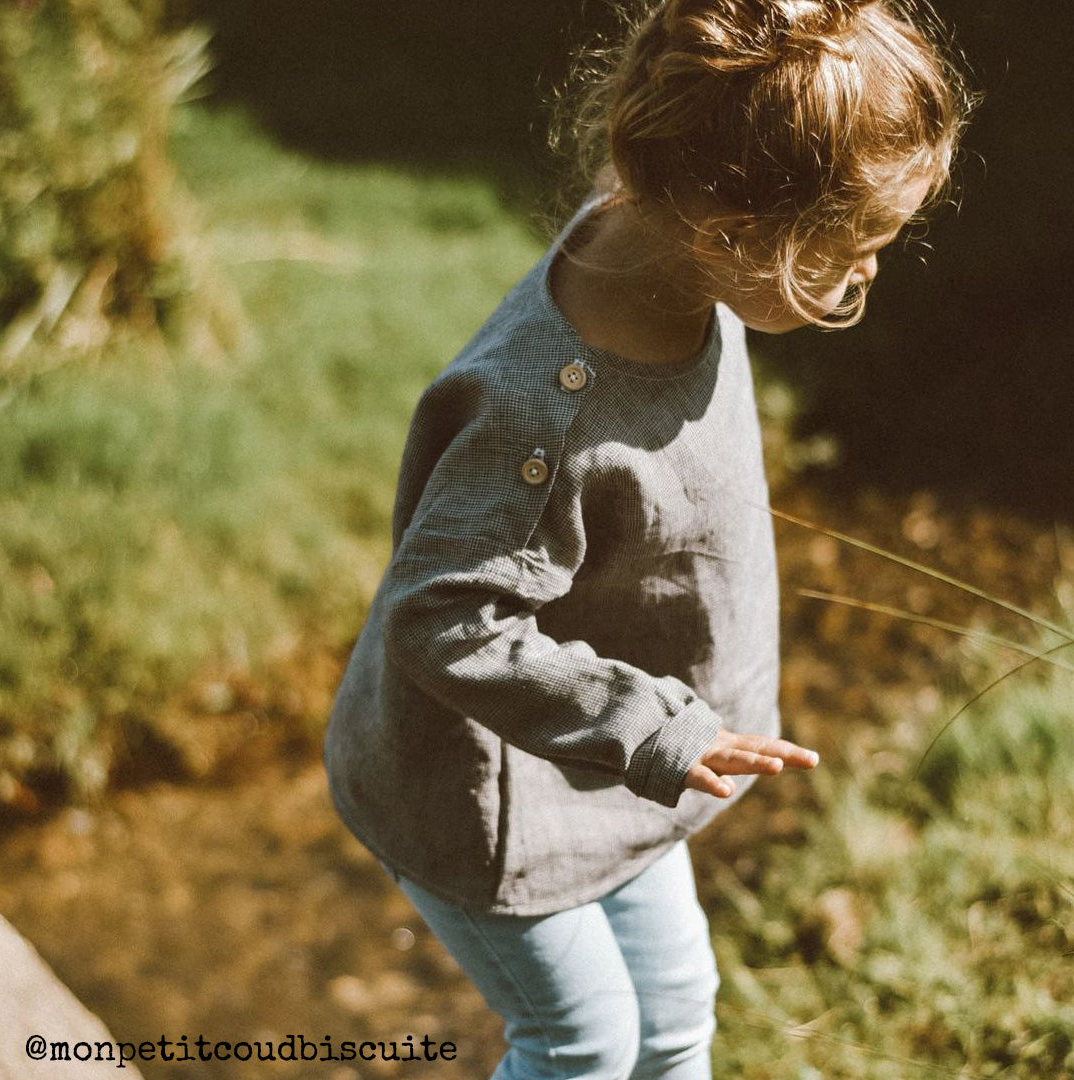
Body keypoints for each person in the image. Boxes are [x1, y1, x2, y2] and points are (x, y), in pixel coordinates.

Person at [323, 1, 972, 1076]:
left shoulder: (659, 213)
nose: (865, 277)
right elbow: (439, 617)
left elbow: (735, 90)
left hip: (611, 777)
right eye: (852, 251)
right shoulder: (548, 415)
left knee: (676, 1017)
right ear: (733, 232)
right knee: (581, 1044)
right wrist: (655, 728)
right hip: (495, 804)